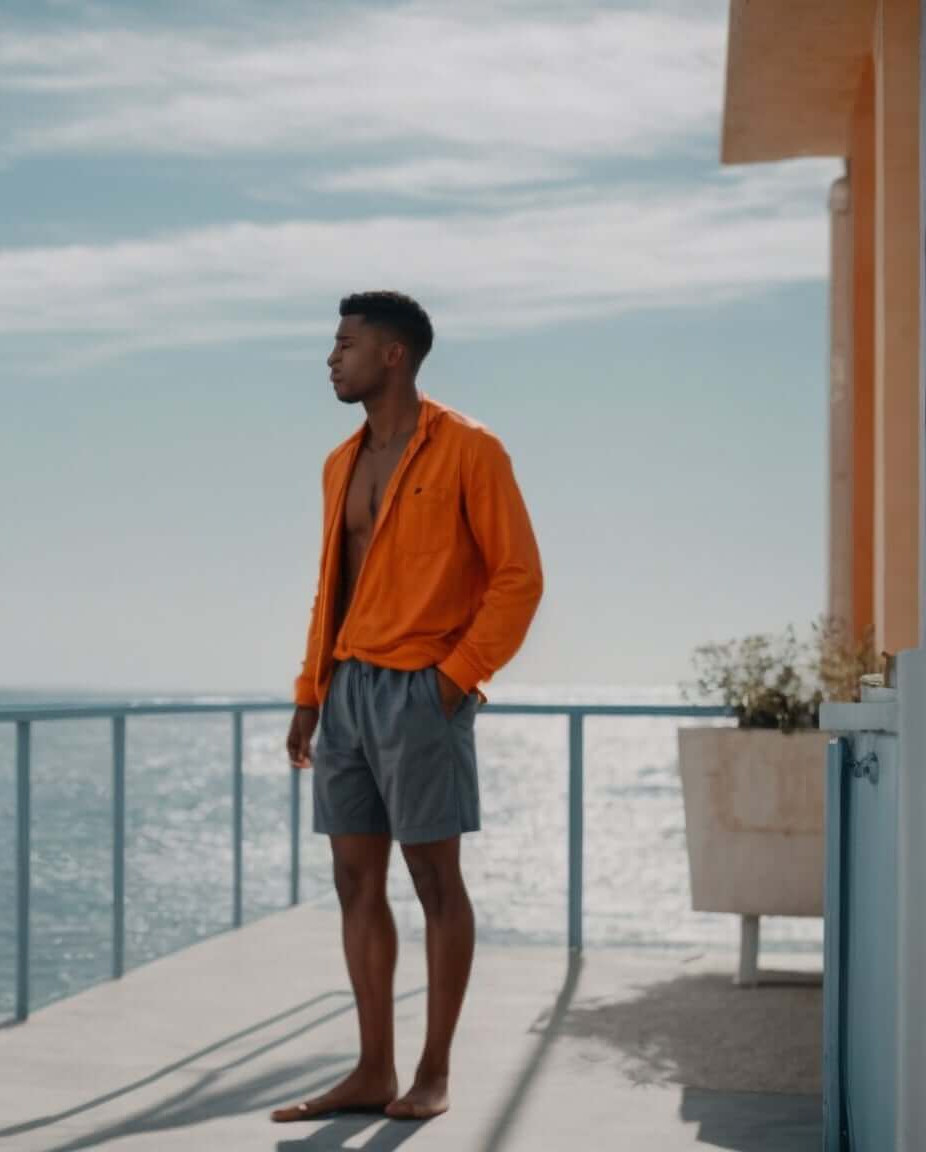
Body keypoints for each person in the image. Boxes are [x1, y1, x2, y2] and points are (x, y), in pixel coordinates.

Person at [271, 291, 543, 1124]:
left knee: (434, 882)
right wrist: (310, 692)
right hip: (346, 689)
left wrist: (452, 680)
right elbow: (333, 586)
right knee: (356, 881)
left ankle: (433, 1072)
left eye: (345, 343)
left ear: (394, 355)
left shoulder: (469, 449)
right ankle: (372, 1070)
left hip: (423, 690)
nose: (331, 357)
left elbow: (518, 578)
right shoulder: (338, 463)